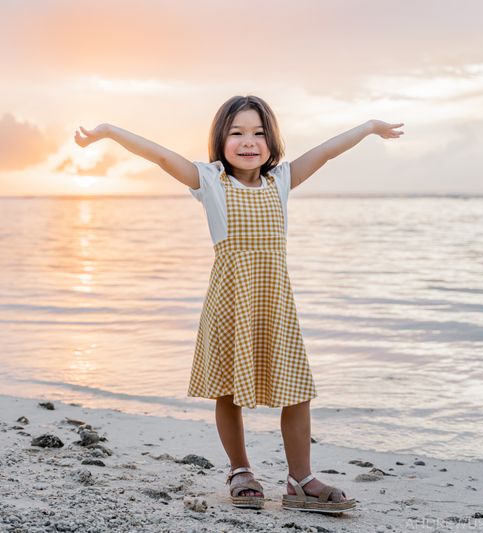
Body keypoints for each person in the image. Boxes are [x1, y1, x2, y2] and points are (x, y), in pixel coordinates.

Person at [74, 94, 403, 513]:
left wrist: (369, 127)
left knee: (297, 389)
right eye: (237, 133)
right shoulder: (210, 182)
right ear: (220, 140)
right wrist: (108, 132)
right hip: (231, 302)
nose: (249, 142)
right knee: (229, 391)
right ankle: (240, 470)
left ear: (272, 142)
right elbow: (159, 155)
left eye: (259, 133)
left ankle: (300, 479)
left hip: (275, 303)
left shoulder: (280, 181)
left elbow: (324, 152)